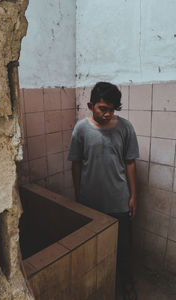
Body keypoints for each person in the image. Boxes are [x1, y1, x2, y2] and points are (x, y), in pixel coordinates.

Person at [68, 82, 139, 300]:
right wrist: (79, 194)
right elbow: (76, 163)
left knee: (123, 248)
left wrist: (134, 196)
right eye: (103, 109)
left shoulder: (125, 128)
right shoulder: (81, 129)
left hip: (119, 200)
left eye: (112, 109)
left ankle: (126, 284)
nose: (108, 114)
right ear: (91, 105)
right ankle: (96, 283)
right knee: (94, 248)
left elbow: (130, 163)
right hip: (91, 202)